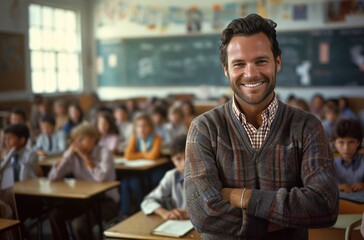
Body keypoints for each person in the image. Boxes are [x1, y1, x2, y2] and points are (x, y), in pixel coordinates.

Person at [185, 14, 338, 239]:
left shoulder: (307, 127)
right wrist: (282, 220)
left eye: (261, 61)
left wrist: (245, 197)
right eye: (239, 64)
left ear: (277, 61)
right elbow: (201, 211)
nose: (251, 73)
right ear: (226, 69)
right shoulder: (204, 128)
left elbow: (324, 205)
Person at [48, 122, 119, 240]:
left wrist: (86, 157)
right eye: (75, 140)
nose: (78, 143)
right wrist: (67, 154)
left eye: (82, 139)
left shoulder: (104, 152)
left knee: (79, 225)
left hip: (105, 201)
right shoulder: (74, 156)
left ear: (93, 138)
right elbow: (52, 177)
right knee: (55, 215)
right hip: (83, 199)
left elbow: (100, 178)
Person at [141, 134, 188, 220]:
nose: (184, 164)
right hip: (180, 224)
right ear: (173, 161)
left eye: (188, 158)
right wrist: (165, 213)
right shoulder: (172, 176)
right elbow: (147, 201)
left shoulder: (206, 176)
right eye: (178, 159)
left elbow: (216, 207)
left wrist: (189, 214)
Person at [332, 119, 364, 193]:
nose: (346, 148)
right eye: (341, 142)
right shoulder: (331, 164)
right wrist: (338, 186)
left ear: (358, 142)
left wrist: (363, 185)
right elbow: (324, 185)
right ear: (334, 144)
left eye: (351, 142)